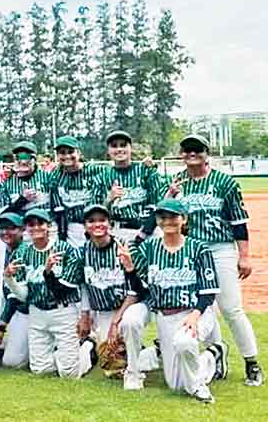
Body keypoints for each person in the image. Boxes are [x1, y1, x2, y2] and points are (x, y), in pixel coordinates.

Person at [165, 134, 263, 386]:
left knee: (231, 308)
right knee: (202, 307)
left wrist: (244, 256)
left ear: (206, 153)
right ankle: (216, 353)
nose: (192, 153)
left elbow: (238, 222)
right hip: (192, 251)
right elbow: (167, 217)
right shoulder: (178, 182)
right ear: (181, 154)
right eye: (187, 149)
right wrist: (171, 195)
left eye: (197, 149)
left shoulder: (224, 182)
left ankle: (251, 362)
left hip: (220, 249)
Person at [120, 199, 228, 403]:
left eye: (173, 216)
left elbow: (209, 291)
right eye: (162, 217)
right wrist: (130, 270)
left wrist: (195, 315)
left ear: (184, 219)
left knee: (184, 343)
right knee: (176, 384)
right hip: (165, 315)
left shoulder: (199, 249)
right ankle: (211, 356)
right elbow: (140, 288)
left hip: (195, 311)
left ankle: (200, 385)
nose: (167, 221)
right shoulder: (149, 248)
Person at [72, 204, 159, 389]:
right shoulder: (82, 252)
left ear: (109, 224)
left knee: (127, 326)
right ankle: (94, 343)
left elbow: (135, 291)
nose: (97, 224)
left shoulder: (126, 247)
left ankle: (156, 353)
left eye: (102, 220)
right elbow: (84, 286)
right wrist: (85, 316)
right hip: (104, 311)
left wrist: (115, 322)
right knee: (111, 365)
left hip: (133, 305)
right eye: (91, 221)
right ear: (85, 226)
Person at [3, 209, 96, 378]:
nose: (36, 228)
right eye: (31, 224)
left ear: (49, 226)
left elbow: (64, 290)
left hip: (62, 310)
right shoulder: (22, 252)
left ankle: (87, 349)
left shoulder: (64, 249)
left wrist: (48, 272)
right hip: (37, 312)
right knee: (40, 370)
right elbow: (24, 295)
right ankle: (65, 355)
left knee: (69, 374)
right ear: (26, 228)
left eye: (40, 223)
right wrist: (8, 278)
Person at [92, 130, 163, 244]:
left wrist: (144, 233)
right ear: (108, 151)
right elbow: (95, 213)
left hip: (149, 230)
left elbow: (158, 204)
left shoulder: (146, 170)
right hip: (119, 231)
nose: (119, 149)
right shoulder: (102, 177)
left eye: (123, 145)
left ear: (131, 148)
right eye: (114, 146)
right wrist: (108, 199)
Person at [0, 212, 29, 368]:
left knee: (13, 362)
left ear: (22, 230)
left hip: (29, 311)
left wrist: (1, 326)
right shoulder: (3, 251)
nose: (5, 232)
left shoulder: (23, 252)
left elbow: (15, 297)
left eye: (11, 228)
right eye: (2, 228)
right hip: (17, 308)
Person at [49, 135, 105, 247]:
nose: (67, 156)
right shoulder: (55, 175)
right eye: (62, 153)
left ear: (78, 153)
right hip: (70, 229)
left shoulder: (96, 170)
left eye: (71, 152)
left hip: (95, 226)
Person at [0, 141, 52, 215]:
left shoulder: (47, 178)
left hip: (44, 221)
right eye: (18, 157)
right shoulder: (8, 183)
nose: (23, 162)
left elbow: (58, 208)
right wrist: (22, 200)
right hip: (19, 221)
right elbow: (3, 214)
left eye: (27, 157)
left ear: (35, 159)